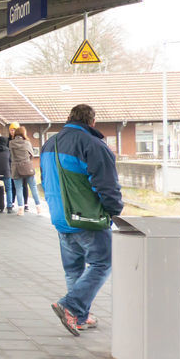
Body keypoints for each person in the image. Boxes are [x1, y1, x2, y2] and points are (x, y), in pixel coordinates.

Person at [42, 104, 125, 336]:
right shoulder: (93, 145)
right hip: (86, 218)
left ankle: (78, 317)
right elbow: (106, 184)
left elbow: (45, 179)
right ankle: (71, 305)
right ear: (92, 122)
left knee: (73, 269)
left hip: (60, 217)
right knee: (103, 262)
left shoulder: (51, 143)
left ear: (68, 118)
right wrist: (114, 210)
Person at [8, 126, 40, 215]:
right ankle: (38, 208)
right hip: (27, 167)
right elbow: (32, 154)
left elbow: (11, 155)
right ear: (23, 133)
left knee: (19, 189)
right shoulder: (27, 143)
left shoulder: (11, 143)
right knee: (33, 187)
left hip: (16, 168)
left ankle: (21, 209)